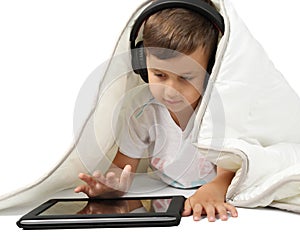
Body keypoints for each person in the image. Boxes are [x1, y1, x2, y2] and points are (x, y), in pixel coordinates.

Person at [74, 0, 238, 222]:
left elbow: (232, 165)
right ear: (142, 64)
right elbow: (123, 169)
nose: (171, 91)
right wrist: (112, 187)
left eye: (186, 78)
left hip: (214, 206)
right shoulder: (142, 109)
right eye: (159, 75)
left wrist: (216, 187)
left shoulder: (222, 105)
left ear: (212, 67)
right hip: (166, 202)